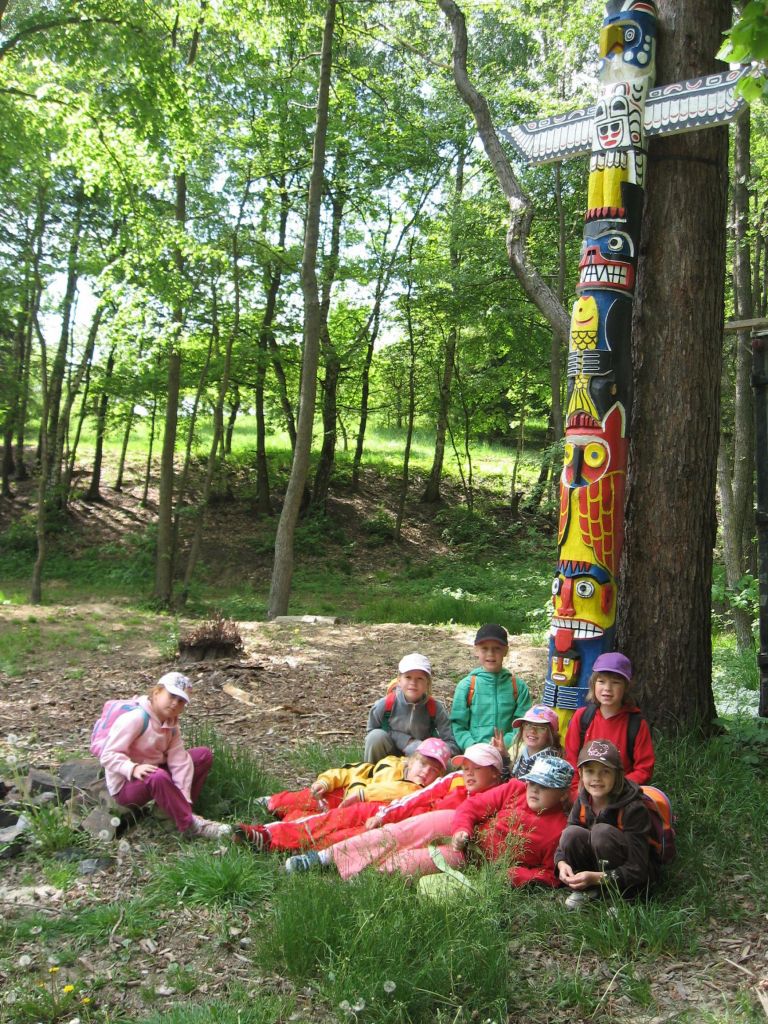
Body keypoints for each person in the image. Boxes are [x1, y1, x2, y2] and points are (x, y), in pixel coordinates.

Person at [283, 742, 504, 876]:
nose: (468, 773)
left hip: (461, 845)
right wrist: (384, 814)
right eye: (465, 768)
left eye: (477, 768)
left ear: (495, 772)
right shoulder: (455, 780)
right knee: (392, 833)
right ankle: (322, 857)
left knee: (419, 858)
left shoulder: (503, 795)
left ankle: (365, 876)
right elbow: (418, 797)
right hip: (422, 822)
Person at [233, 737, 452, 852]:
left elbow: (398, 791)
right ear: (411, 760)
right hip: (348, 795)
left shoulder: (419, 792)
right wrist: (325, 781)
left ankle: (271, 835)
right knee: (319, 795)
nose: (425, 772)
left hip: (365, 813)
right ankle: (272, 804)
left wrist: (363, 794)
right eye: (423, 764)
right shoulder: (391, 764)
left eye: (434, 770)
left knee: (327, 828)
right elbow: (354, 771)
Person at [99, 672, 229, 839]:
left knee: (202, 755)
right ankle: (190, 825)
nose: (175, 703)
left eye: (181, 701)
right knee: (157, 775)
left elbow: (180, 761)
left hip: (154, 774)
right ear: (156, 692)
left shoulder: (171, 725)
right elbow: (108, 755)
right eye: (171, 696)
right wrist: (133, 768)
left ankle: (174, 813)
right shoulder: (136, 719)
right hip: (127, 785)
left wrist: (183, 797)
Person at [555, 739, 657, 909]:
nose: (596, 778)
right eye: (590, 771)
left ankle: (625, 898)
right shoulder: (583, 800)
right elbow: (563, 845)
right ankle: (589, 890)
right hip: (598, 873)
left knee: (601, 833)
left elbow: (638, 868)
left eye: (605, 772)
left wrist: (596, 877)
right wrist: (562, 863)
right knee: (570, 833)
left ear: (617, 775)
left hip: (633, 879)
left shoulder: (633, 808)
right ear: (580, 773)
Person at [448, 754, 574, 887]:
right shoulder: (515, 788)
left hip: (477, 862)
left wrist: (514, 875)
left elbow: (551, 873)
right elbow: (472, 806)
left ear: (563, 794)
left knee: (434, 859)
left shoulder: (559, 830)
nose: (534, 790)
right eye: (532, 782)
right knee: (432, 824)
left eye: (544, 786)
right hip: (465, 832)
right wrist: (461, 829)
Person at [563, 652, 654, 794]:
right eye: (601, 681)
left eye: (615, 682)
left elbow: (644, 769)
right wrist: (578, 793)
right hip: (583, 792)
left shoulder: (636, 724)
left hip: (621, 794)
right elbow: (571, 760)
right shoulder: (582, 717)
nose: (607, 688)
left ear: (626, 687)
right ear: (593, 684)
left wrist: (616, 789)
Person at [364, 653, 459, 764]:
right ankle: (372, 771)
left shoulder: (435, 708)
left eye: (420, 678)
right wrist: (407, 741)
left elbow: (452, 744)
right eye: (408, 677)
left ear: (427, 683)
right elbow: (371, 734)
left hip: (421, 758)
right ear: (399, 680)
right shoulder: (384, 705)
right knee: (375, 736)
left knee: (449, 763)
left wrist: (427, 749)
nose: (413, 683)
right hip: (388, 757)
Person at [450, 624, 531, 752]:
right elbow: (458, 724)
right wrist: (472, 746)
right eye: (484, 648)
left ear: (505, 651)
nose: (490, 654)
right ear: (476, 650)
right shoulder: (466, 686)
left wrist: (505, 743)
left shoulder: (518, 687)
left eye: (497, 648)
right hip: (474, 752)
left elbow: (522, 723)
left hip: (508, 751)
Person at [508, 704, 563, 779]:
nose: (532, 731)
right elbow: (512, 781)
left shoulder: (549, 763)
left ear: (551, 734)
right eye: (528, 725)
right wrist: (504, 757)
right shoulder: (525, 753)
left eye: (541, 728)